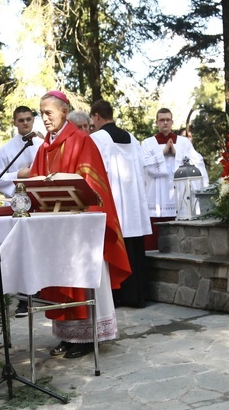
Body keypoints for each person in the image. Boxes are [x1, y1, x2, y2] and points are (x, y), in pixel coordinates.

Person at [28, 91, 131, 359]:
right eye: (41, 113)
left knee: (81, 280)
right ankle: (67, 335)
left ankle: (88, 336)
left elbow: (94, 184)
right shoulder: (43, 148)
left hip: (79, 226)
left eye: (48, 113)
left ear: (63, 111)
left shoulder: (81, 141)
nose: (44, 118)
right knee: (60, 280)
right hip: (54, 226)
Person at [89, 100, 152, 308]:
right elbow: (143, 167)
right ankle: (139, 295)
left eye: (92, 119)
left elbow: (94, 172)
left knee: (117, 247)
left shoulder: (98, 138)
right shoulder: (132, 138)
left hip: (114, 201)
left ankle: (118, 296)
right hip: (132, 202)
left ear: (97, 116)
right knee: (135, 247)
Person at [0, 106, 43, 318]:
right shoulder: (5, 150)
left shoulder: (43, 144)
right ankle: (23, 299)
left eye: (29, 119)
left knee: (40, 249)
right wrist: (19, 174)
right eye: (21, 120)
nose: (25, 123)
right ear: (14, 122)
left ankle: (44, 292)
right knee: (23, 249)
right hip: (18, 206)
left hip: (41, 203)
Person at [141, 108, 209, 250]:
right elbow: (143, 165)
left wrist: (176, 154)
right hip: (155, 199)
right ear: (156, 122)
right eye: (161, 120)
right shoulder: (147, 143)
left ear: (172, 122)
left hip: (179, 199)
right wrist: (163, 153)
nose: (165, 123)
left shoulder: (183, 142)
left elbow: (198, 162)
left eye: (167, 120)